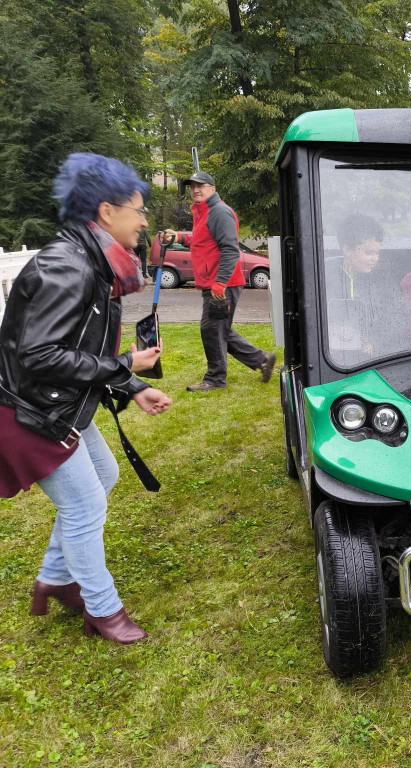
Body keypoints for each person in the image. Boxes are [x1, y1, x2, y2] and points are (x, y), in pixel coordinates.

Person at [0, 153, 172, 644]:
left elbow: (85, 351)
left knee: (105, 475)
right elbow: (40, 355)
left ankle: (54, 579)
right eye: (137, 210)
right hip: (30, 411)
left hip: (56, 403)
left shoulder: (94, 264)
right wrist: (126, 368)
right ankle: (102, 608)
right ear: (105, 212)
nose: (144, 221)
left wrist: (133, 387)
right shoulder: (68, 268)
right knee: (84, 505)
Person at [159, 172, 275, 391]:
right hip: (212, 282)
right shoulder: (203, 212)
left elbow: (230, 250)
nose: (196, 190)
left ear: (212, 188)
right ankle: (262, 359)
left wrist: (220, 282)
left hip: (222, 284)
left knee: (212, 330)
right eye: (192, 186)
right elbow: (201, 238)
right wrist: (179, 237)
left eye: (201, 186)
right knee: (219, 328)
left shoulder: (219, 211)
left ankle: (214, 379)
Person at [325, 214, 409, 360]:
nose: (375, 258)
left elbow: (396, 320)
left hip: (373, 357)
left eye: (377, 252)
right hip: (335, 357)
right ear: (348, 250)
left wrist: (374, 343)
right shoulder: (328, 279)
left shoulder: (382, 283)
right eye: (369, 253)